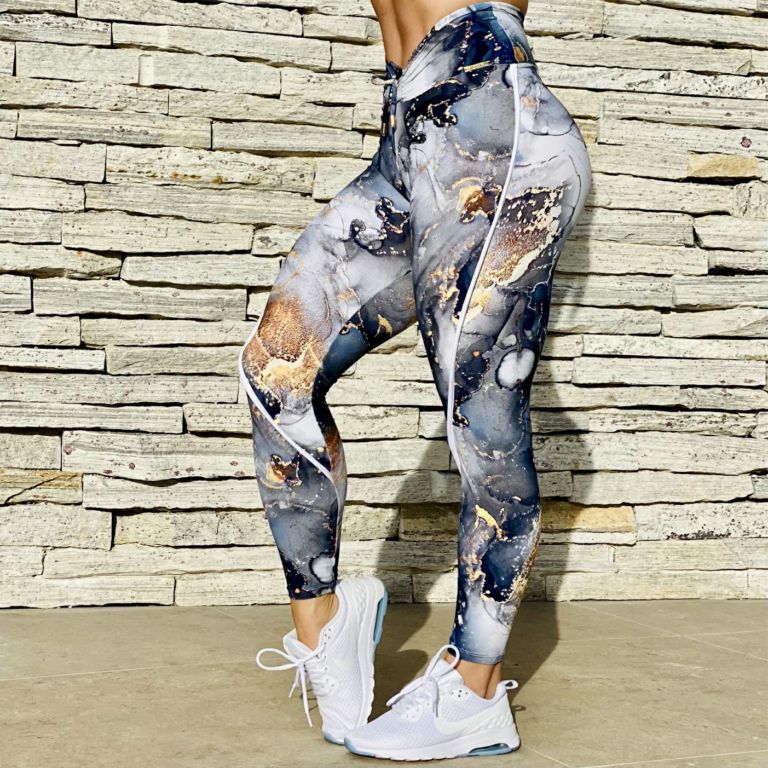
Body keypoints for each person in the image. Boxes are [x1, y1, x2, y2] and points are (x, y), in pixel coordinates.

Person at [240, 0, 592, 760]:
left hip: (488, 116)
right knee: (275, 373)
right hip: (405, 131)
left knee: (483, 423)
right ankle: (327, 626)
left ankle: (474, 692)